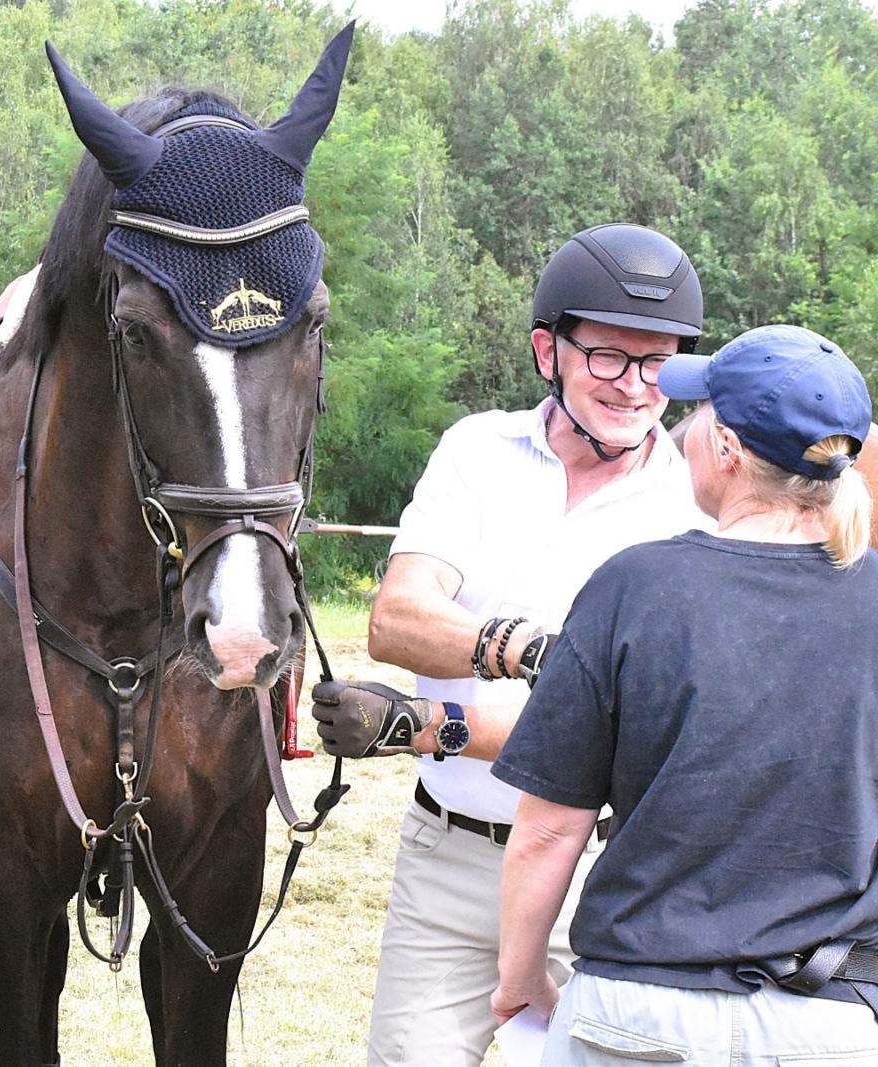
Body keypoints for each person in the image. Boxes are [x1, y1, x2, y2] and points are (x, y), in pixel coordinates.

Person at [311, 223, 710, 1066]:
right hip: (446, 858)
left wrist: (427, 721)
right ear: (546, 350)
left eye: (658, 364)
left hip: (594, 874)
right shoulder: (477, 450)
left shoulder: (688, 508)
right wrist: (530, 650)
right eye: (608, 357)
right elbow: (397, 619)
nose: (636, 387)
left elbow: (616, 728)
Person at [489, 324, 878, 1067]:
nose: (681, 428)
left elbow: (547, 831)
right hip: (828, 1028)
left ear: (726, 450)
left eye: (696, 416)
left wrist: (521, 975)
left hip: (637, 1016)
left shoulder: (633, 585)